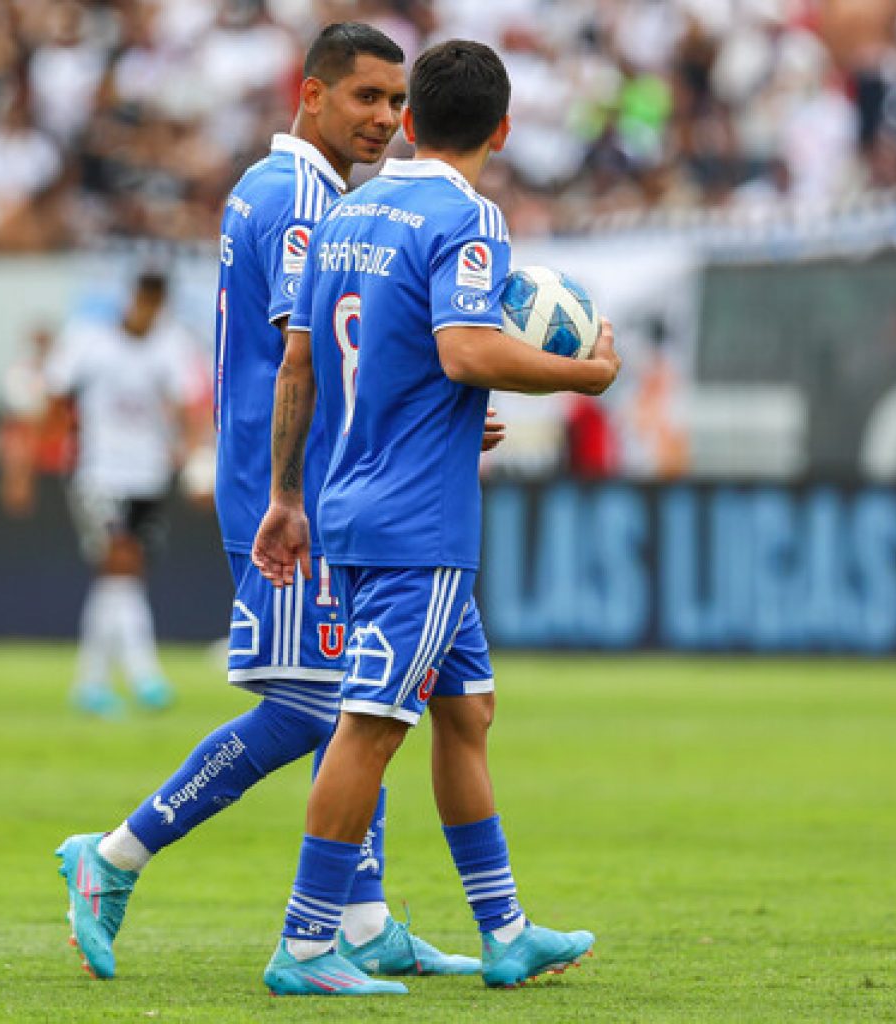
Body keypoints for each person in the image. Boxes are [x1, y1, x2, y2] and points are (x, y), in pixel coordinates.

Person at [55, 23, 477, 983]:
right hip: (287, 492)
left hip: (311, 484)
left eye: (395, 101)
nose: (386, 118)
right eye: (366, 97)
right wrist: (291, 493)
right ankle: (115, 855)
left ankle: (363, 921)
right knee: (313, 708)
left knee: (354, 701)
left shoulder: (284, 186)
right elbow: (302, 355)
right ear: (311, 92)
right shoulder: (300, 200)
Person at [251, 38, 621, 996]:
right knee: (371, 727)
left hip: (350, 499)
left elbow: (303, 362)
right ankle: (305, 945)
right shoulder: (469, 214)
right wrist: (583, 375)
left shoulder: (346, 211)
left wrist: (287, 494)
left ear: (409, 121)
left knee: (466, 711)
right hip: (419, 523)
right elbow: (464, 350)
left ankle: (506, 932)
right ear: (504, 129)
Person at [21, 269, 199, 716]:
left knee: (118, 579)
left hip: (150, 475)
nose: (148, 310)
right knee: (122, 561)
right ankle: (146, 675)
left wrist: (194, 461)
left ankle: (91, 684)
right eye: (144, 300)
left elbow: (186, 409)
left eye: (156, 303)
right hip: (99, 473)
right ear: (132, 298)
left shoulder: (172, 345)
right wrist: (27, 462)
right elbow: (55, 397)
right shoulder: (89, 340)